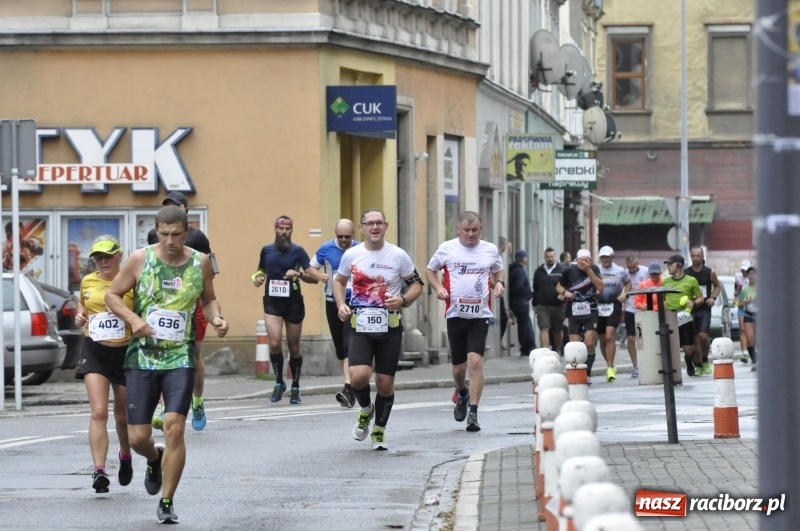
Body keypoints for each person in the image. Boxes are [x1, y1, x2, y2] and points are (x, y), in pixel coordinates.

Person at [106, 205, 229, 524]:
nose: (170, 241)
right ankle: (154, 458)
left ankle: (166, 501)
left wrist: (216, 317)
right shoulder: (140, 259)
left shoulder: (200, 262)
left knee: (174, 428)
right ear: (156, 232)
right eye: (164, 234)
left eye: (176, 234)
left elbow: (208, 298)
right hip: (142, 358)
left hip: (180, 358)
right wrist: (134, 320)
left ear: (186, 232)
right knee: (138, 437)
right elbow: (112, 295)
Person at [333, 208, 424, 450]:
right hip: (360, 326)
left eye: (379, 223)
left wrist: (403, 300)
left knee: (384, 383)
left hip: (389, 329)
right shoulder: (352, 254)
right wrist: (341, 304)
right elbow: (339, 281)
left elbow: (417, 285)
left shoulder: (398, 255)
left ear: (386, 226)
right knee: (358, 377)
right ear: (361, 227)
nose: (375, 227)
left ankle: (379, 431)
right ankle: (366, 410)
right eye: (369, 223)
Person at [426, 211, 504, 432]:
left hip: (480, 314)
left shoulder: (490, 249)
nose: (470, 234)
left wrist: (500, 283)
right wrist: (438, 288)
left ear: (481, 229)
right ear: (458, 229)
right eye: (466, 230)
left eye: (475, 230)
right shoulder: (447, 248)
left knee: (475, 362)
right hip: (456, 314)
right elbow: (430, 271)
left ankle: (474, 413)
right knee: (459, 369)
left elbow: (498, 270)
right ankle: (462, 392)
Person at [147, 191, 213, 432]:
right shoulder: (154, 235)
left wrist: (194, 289)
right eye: (167, 205)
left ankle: (197, 401)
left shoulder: (197, 237)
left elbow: (212, 268)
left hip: (192, 304)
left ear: (186, 209)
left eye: (176, 205)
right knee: (164, 353)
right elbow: (150, 268)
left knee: (193, 355)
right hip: (165, 305)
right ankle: (166, 407)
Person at [73, 236, 134, 494]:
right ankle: (99, 470)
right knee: (98, 412)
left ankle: (125, 455)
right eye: (98, 257)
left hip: (125, 352)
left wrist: (127, 315)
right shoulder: (88, 280)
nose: (103, 261)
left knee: (123, 416)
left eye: (108, 256)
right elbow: (83, 304)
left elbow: (143, 312)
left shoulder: (132, 281)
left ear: (120, 256)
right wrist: (80, 315)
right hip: (95, 350)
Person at [251, 215, 317, 405]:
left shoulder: (298, 251)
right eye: (281, 229)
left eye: (287, 229)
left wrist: (298, 274)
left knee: (293, 345)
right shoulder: (266, 250)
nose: (284, 232)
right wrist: (256, 278)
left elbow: (313, 278)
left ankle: (295, 385)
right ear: (275, 229)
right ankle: (279, 382)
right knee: (274, 343)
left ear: (291, 230)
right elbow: (260, 271)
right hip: (272, 302)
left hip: (293, 303)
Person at [306, 219, 359, 408]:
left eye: (347, 237)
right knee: (340, 348)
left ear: (353, 234)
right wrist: (319, 275)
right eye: (340, 236)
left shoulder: (360, 249)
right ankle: (350, 384)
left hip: (355, 303)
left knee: (349, 344)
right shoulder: (326, 249)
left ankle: (349, 388)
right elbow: (311, 267)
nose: (344, 240)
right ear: (335, 234)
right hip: (332, 302)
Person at [556, 249, 604, 384]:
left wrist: (589, 271)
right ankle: (577, 375)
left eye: (586, 260)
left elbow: (601, 287)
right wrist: (565, 293)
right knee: (575, 346)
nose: (583, 263)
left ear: (590, 260)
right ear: (576, 260)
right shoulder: (569, 271)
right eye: (581, 260)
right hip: (574, 312)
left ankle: (587, 373)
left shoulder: (594, 269)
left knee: (589, 342)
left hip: (591, 311)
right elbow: (558, 287)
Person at [661, 254, 704, 377]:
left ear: (679, 265)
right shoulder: (665, 282)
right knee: (671, 348)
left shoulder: (691, 280)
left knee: (689, 350)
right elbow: (663, 299)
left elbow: (701, 298)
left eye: (670, 264)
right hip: (670, 317)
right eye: (667, 264)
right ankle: (672, 374)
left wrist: (693, 302)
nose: (668, 267)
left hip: (685, 318)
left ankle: (688, 360)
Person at [595, 246, 631, 382]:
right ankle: (610, 364)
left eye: (607, 257)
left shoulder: (620, 270)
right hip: (598, 306)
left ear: (612, 257)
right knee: (603, 339)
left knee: (610, 336)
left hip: (614, 305)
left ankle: (610, 368)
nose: (605, 259)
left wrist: (625, 294)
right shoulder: (596, 270)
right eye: (602, 257)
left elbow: (628, 282)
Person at [684, 246, 721, 375]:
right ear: (690, 257)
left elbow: (717, 286)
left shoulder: (709, 272)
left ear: (702, 256)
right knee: (694, 339)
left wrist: (713, 297)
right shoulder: (686, 273)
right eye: (693, 256)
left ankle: (705, 359)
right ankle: (698, 365)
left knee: (703, 336)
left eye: (698, 256)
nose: (696, 258)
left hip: (704, 308)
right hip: (691, 309)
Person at [531, 247, 566, 355]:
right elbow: (535, 288)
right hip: (543, 305)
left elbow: (568, 285)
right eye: (548, 257)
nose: (550, 259)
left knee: (558, 329)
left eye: (552, 257)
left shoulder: (562, 270)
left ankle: (557, 350)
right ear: (544, 257)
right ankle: (545, 352)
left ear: (555, 257)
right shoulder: (539, 271)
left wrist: (564, 295)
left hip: (558, 305)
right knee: (544, 327)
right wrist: (535, 304)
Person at [624, 255, 649, 378]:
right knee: (631, 338)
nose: (632, 270)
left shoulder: (646, 271)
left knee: (642, 338)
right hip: (630, 308)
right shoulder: (625, 273)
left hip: (643, 308)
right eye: (629, 268)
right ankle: (635, 365)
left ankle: (645, 363)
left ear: (637, 263)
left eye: (633, 267)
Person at [508, 249, 536, 356]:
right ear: (522, 259)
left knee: (523, 323)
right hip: (521, 301)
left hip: (517, 300)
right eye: (526, 257)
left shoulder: (513, 269)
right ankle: (529, 346)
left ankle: (525, 346)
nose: (527, 259)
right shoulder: (520, 271)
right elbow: (518, 286)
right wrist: (525, 293)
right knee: (525, 324)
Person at [738, 266, 757, 371]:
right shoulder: (744, 289)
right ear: (747, 276)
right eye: (750, 274)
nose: (752, 276)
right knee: (749, 339)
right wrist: (744, 302)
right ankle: (754, 362)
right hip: (748, 315)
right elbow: (739, 304)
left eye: (754, 274)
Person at [734, 259, 752, 361]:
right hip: (742, 305)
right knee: (742, 329)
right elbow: (736, 290)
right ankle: (744, 353)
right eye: (743, 270)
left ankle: (754, 350)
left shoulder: (755, 277)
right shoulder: (737, 277)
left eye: (746, 270)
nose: (744, 272)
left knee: (753, 330)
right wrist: (736, 296)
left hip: (752, 306)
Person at [498, 236, 511, 350]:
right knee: (503, 316)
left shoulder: (500, 256)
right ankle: (500, 339)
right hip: (496, 287)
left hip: (499, 287)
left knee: (504, 316)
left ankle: (500, 338)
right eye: (506, 246)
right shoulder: (496, 256)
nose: (507, 248)